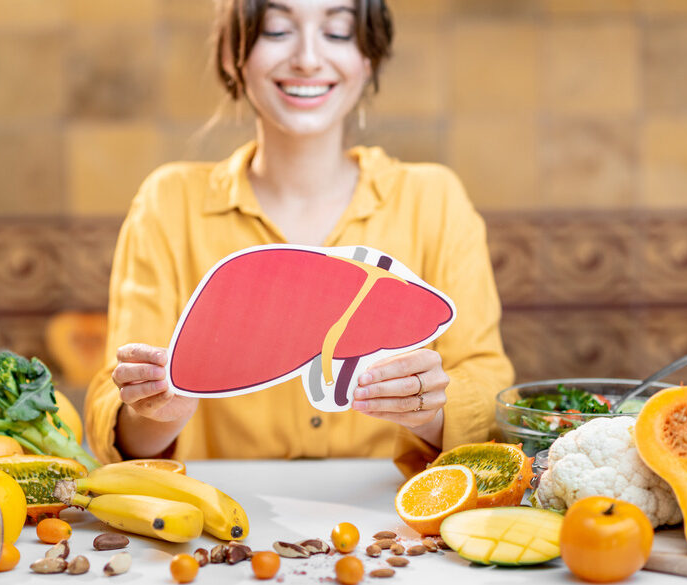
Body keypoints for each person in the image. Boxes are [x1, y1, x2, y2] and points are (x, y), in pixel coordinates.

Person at [84, 0, 513, 476]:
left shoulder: (436, 199)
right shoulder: (167, 203)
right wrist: (156, 412)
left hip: (395, 528)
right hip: (220, 526)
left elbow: (488, 386)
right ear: (232, 54)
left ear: (368, 56)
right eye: (276, 30)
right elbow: (119, 423)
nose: (308, 59)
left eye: (337, 32)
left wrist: (432, 409)